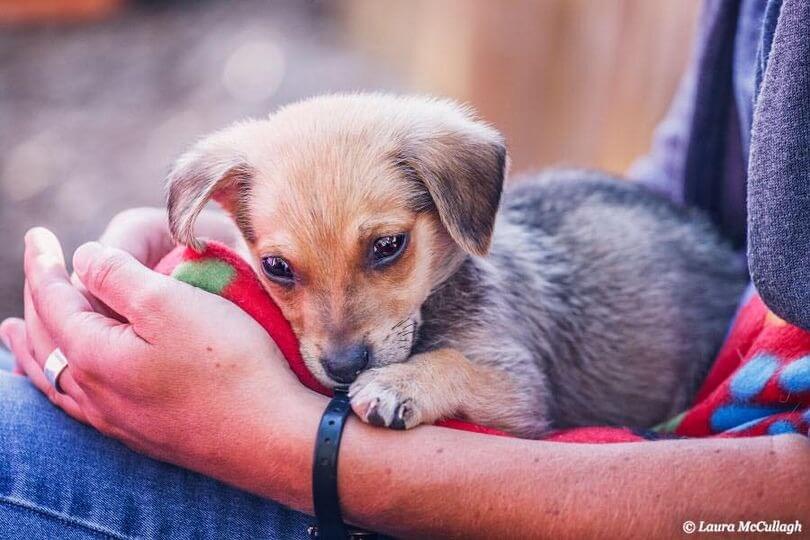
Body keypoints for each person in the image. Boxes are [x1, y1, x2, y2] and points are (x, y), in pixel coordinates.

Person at [1, 1, 807, 538]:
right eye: (285, 271)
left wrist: (338, 431)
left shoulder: (477, 289)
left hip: (705, 396)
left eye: (384, 250)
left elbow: (514, 393)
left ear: (459, 205)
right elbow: (694, 164)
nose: (339, 334)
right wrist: (192, 269)